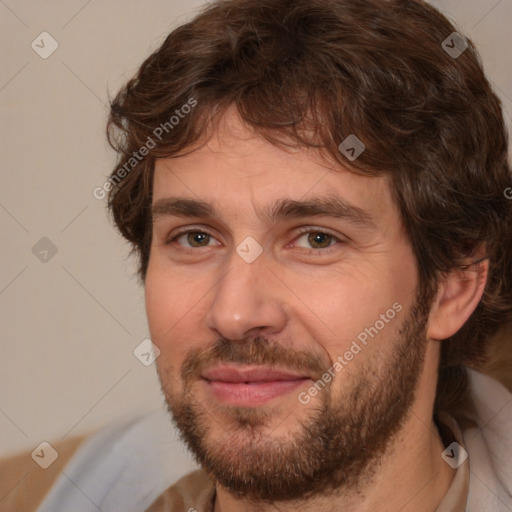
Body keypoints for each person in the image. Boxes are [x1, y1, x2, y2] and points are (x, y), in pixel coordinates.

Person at [1, 0, 511, 510]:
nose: (235, 314)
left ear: (454, 285)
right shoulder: (59, 489)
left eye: (316, 239)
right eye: (196, 238)